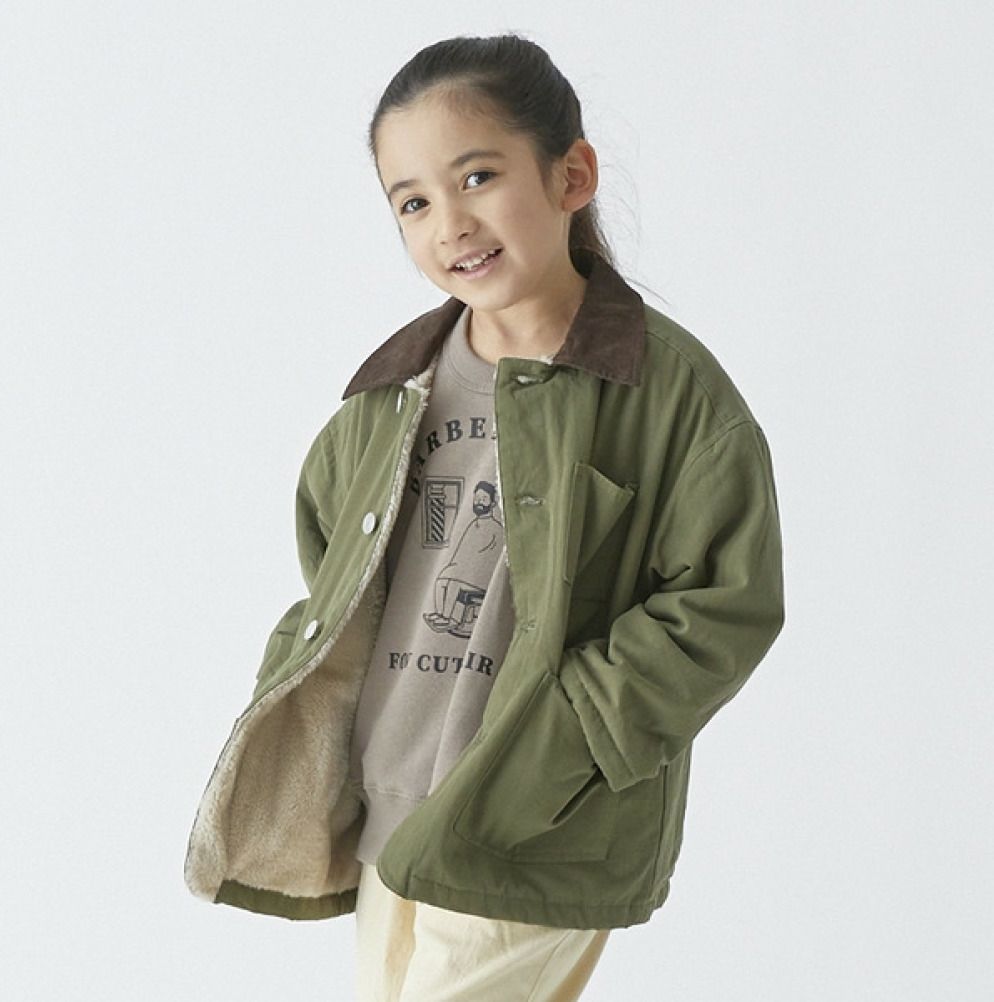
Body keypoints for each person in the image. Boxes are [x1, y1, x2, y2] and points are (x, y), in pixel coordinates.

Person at [184, 32, 786, 1002]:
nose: (450, 222)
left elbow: (722, 605)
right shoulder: (388, 396)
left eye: (477, 177)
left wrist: (570, 739)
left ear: (571, 175)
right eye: (413, 202)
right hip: (391, 815)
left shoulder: (667, 394)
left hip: (533, 823)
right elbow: (334, 575)